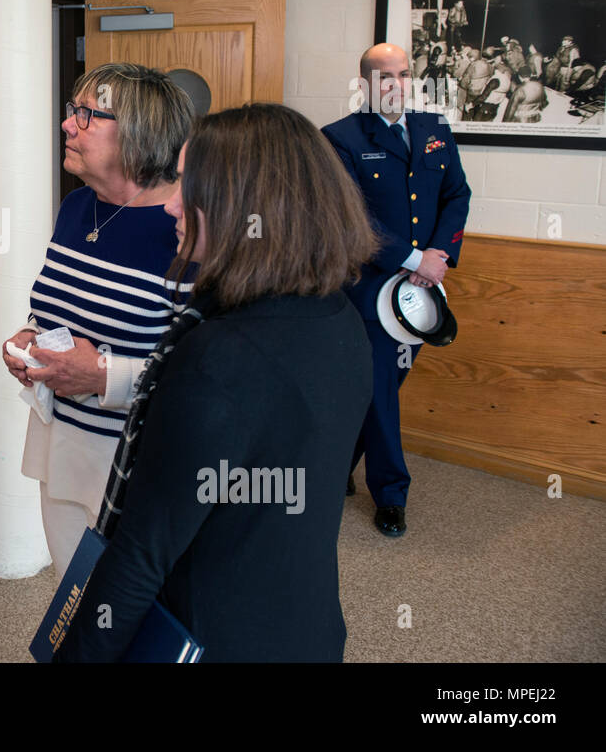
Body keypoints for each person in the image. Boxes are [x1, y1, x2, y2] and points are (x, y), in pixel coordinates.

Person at [54, 104, 376, 662]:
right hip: (302, 624)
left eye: (187, 183)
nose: (173, 203)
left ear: (247, 205)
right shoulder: (338, 318)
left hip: (209, 635)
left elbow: (141, 556)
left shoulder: (218, 359)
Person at [5, 63, 196, 573]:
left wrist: (102, 376)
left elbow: (203, 376)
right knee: (75, 598)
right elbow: (56, 304)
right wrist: (30, 335)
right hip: (61, 440)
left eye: (88, 115)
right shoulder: (76, 207)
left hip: (136, 462)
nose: (68, 124)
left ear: (140, 132)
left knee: (128, 613)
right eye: (73, 110)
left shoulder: (187, 230)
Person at [322, 43, 471, 537]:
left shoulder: (434, 130)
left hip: (426, 287)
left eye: (404, 75)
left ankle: (336, 465)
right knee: (383, 391)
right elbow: (350, 220)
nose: (397, 85)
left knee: (378, 390)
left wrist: (440, 256)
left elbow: (457, 195)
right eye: (385, 76)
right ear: (365, 83)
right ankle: (391, 495)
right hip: (369, 290)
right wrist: (413, 259)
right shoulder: (340, 138)